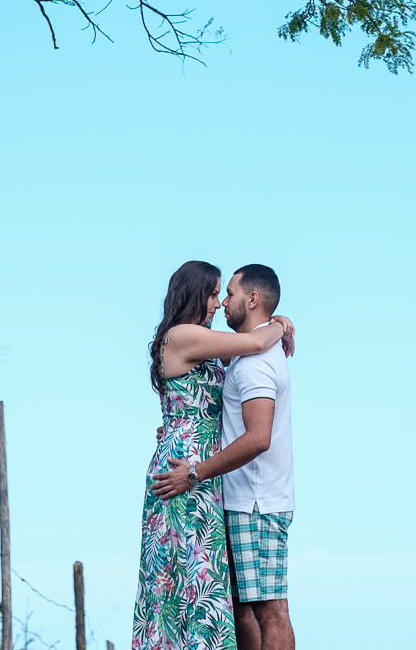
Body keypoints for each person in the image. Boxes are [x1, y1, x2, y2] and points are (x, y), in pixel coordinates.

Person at [132, 260, 294, 650]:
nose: (219, 303)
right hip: (185, 475)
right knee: (186, 584)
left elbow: (243, 355)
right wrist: (278, 324)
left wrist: (274, 319)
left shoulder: (207, 343)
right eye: (212, 293)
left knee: (207, 589)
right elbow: (254, 342)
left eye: (225, 293)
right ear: (193, 293)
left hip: (205, 475)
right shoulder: (184, 335)